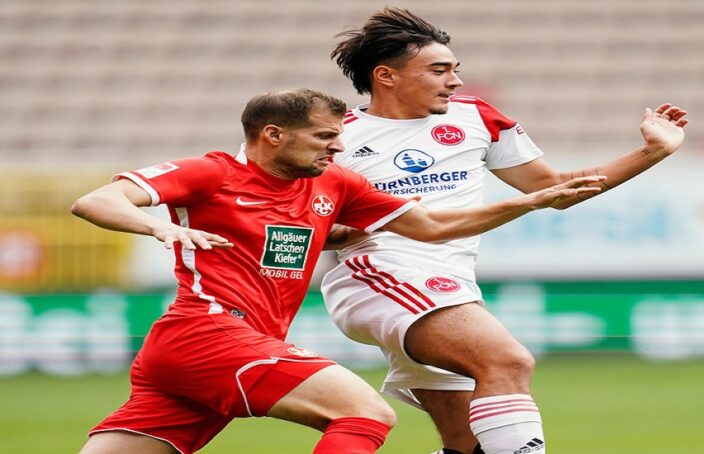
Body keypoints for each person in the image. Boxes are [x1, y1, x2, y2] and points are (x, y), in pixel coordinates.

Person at [71, 88, 604, 454]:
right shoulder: (211, 173)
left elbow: (430, 225)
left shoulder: (334, 184)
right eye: (325, 136)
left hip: (207, 351)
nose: (340, 146)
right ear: (274, 135)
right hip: (208, 331)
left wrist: (527, 202)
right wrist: (158, 228)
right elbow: (97, 201)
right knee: (365, 413)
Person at [322, 8, 688, 454]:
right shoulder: (336, 137)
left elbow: (555, 188)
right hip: (378, 275)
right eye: (439, 70)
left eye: (455, 69)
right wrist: (338, 230)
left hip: (451, 282)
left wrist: (652, 152)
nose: (455, 81)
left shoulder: (476, 118)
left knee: (467, 445)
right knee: (507, 360)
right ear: (386, 76)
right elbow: (293, 219)